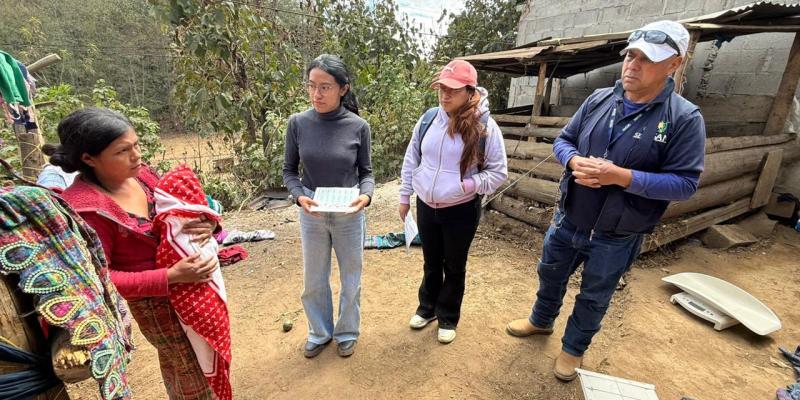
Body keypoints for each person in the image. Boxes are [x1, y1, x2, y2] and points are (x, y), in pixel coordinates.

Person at [505, 20, 706, 381]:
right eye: (631, 55)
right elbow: (564, 140)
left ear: (673, 64)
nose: (633, 65)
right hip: (570, 219)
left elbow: (685, 183)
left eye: (647, 58)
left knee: (595, 295)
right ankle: (541, 321)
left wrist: (623, 177)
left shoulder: (684, 118)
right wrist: (571, 159)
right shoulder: (599, 99)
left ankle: (572, 350)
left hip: (617, 232)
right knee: (550, 275)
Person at [56, 107, 220, 399]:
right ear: (88, 158)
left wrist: (207, 223)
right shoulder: (87, 211)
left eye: (136, 145)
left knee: (210, 357)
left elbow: (183, 208)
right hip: (157, 305)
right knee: (187, 367)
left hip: (194, 287)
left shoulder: (142, 177)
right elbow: (99, 279)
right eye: (122, 151)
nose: (136, 156)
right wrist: (169, 276)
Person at [399, 59, 508, 344]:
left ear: (470, 91)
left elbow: (498, 172)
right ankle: (427, 308)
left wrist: (467, 185)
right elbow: (412, 158)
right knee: (431, 261)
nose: (444, 95)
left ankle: (448, 315)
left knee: (454, 264)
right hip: (426, 204)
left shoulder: (486, 127)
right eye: (441, 88)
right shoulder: (428, 119)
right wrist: (405, 195)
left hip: (460, 208)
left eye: (452, 90)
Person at [282, 54, 373, 358]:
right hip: (313, 212)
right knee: (314, 278)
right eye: (312, 86)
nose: (316, 94)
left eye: (325, 87)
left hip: (349, 212)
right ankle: (319, 332)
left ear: (343, 89)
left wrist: (366, 196)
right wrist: (299, 196)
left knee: (351, 278)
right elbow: (289, 172)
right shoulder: (298, 123)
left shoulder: (359, 126)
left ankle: (347, 332)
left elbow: (367, 174)